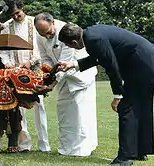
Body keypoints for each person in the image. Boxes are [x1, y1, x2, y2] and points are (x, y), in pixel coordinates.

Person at [58, 23, 154, 165]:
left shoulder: (93, 40)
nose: (71, 48)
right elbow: (100, 57)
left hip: (141, 62)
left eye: (69, 45)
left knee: (126, 108)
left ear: (75, 42)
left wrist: (118, 95)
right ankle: (139, 151)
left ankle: (125, 158)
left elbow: (111, 66)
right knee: (140, 106)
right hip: (148, 58)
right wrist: (74, 64)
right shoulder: (92, 32)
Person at [33, 12, 98, 157]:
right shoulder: (40, 35)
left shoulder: (66, 31)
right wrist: (46, 75)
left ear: (53, 22)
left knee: (80, 113)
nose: (47, 36)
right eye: (42, 34)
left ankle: (82, 149)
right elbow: (46, 58)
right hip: (61, 78)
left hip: (79, 76)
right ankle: (66, 148)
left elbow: (65, 63)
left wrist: (51, 84)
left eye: (49, 32)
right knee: (64, 113)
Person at [0, 0, 51, 153]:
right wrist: (7, 63)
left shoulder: (34, 23)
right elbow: (3, 49)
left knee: (38, 107)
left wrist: (31, 61)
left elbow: (41, 47)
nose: (15, 17)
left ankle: (44, 145)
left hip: (34, 70)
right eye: (12, 15)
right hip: (14, 73)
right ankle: (24, 145)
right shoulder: (7, 26)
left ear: (22, 9)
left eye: (17, 13)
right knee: (18, 110)